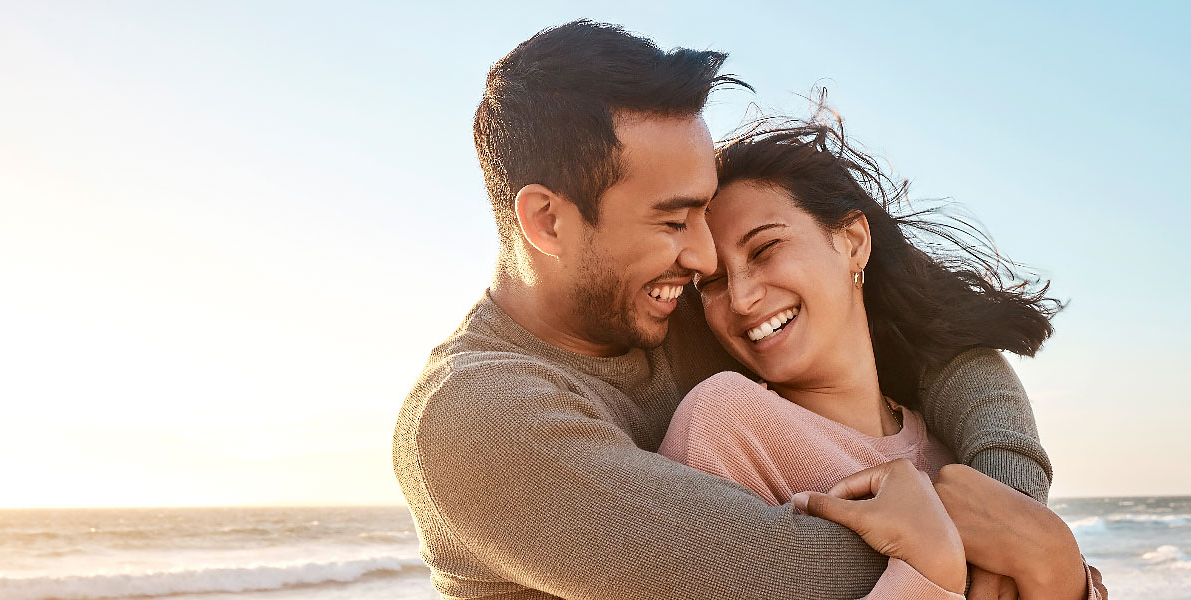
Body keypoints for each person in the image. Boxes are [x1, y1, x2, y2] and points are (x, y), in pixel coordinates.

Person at [394, 20, 1055, 599]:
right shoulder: (475, 418)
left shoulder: (673, 300)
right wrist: (1019, 558)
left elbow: (931, 341)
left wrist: (1009, 501)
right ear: (548, 221)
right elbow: (777, 575)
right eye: (673, 219)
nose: (709, 260)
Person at [658, 120, 1106, 598]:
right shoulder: (726, 425)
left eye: (765, 249)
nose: (742, 298)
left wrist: (1056, 560)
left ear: (853, 242)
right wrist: (930, 571)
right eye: (713, 282)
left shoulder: (957, 455)